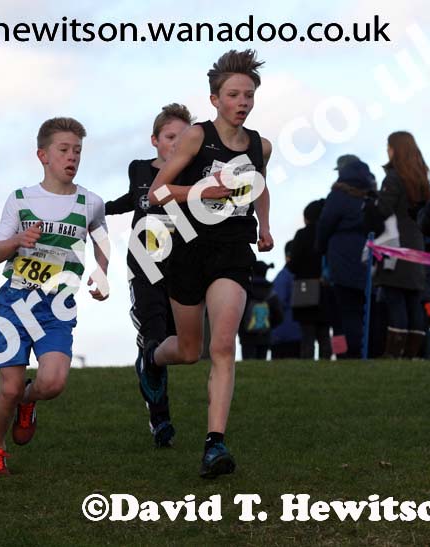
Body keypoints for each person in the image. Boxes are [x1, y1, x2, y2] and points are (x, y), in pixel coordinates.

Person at [143, 49, 273, 478]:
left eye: (248, 95)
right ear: (215, 99)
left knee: (222, 345)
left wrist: (265, 226)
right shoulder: (196, 137)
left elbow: (260, 186)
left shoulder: (260, 145)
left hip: (233, 250)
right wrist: (202, 191)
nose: (242, 102)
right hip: (189, 247)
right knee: (188, 350)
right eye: (234, 95)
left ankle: (214, 444)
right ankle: (153, 359)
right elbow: (157, 193)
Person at [0, 117, 109, 474]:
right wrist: (17, 241)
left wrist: (102, 272)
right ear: (43, 155)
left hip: (57, 307)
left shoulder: (90, 202)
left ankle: (29, 401)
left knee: (53, 383)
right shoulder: (21, 199)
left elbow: (101, 238)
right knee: (7, 389)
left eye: (77, 151)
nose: (72, 157)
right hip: (14, 304)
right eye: (64, 150)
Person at [105, 103, 193, 447]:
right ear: (155, 140)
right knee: (154, 335)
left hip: (182, 264)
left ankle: (148, 361)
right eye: (170, 137)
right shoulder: (139, 169)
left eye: (183, 138)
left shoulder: (194, 174)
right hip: (143, 262)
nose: (176, 144)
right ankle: (160, 421)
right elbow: (133, 199)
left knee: (176, 343)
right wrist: (99, 209)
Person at [375, 132, 430, 359]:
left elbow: (383, 210)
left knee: (396, 298)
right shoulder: (422, 178)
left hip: (395, 246)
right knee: (413, 300)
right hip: (417, 246)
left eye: (389, 147)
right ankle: (412, 353)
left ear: (395, 149)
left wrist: (374, 203)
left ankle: (394, 353)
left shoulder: (393, 178)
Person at [317, 159, 376, 359]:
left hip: (341, 257)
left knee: (343, 313)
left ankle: (346, 355)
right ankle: (365, 352)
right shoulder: (371, 198)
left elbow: (325, 224)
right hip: (367, 254)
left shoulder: (338, 196)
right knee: (364, 310)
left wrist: (321, 248)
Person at [288, 198, 332, 360]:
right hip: (325, 288)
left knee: (307, 335)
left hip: (305, 288)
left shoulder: (302, 235)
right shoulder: (328, 234)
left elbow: (293, 265)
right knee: (324, 334)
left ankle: (307, 364)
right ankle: (327, 365)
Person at [238, 261, 282, 360]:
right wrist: (268, 325)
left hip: (246, 337)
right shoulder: (271, 293)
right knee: (262, 362)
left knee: (248, 364)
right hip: (264, 336)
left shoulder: (245, 291)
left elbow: (238, 313)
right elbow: (279, 317)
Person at [270, 243, 302, 359]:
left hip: (282, 334)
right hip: (295, 334)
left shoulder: (283, 276)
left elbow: (277, 303)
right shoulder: (294, 275)